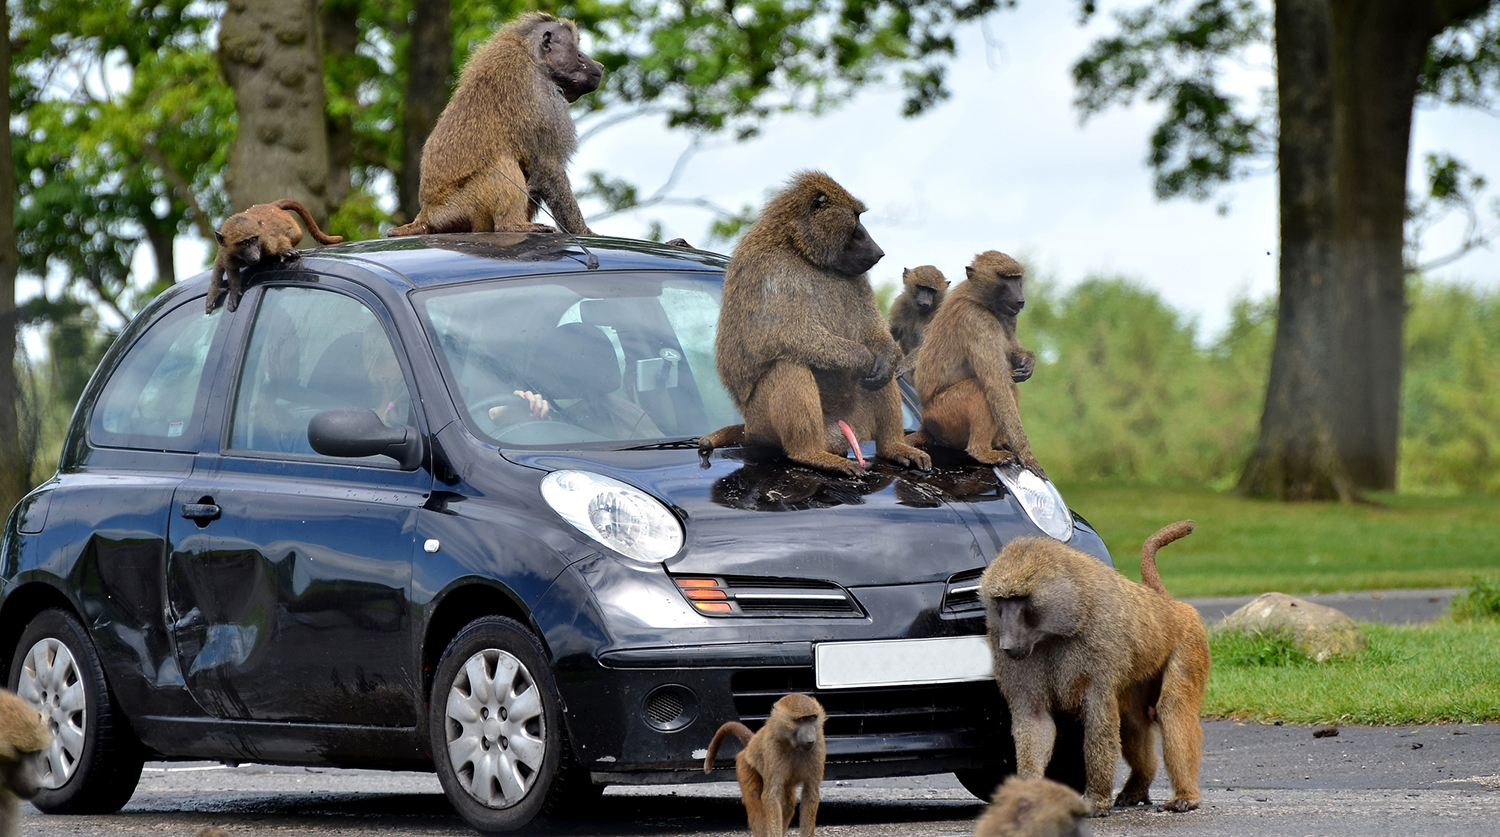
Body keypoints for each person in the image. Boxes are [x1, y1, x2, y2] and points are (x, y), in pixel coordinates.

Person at [487, 322, 662, 440]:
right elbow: (496, 418)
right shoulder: (533, 410)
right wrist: (513, 410)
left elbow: (659, 452)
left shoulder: (624, 412)